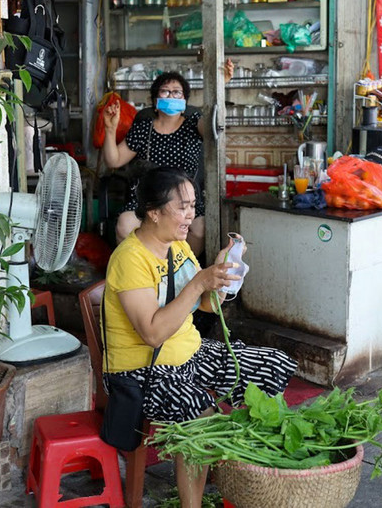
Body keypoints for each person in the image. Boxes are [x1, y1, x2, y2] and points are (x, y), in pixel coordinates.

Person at [102, 167, 297, 507]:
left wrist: (222, 275)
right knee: (200, 412)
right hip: (141, 371)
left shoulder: (177, 247)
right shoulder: (130, 259)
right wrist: (199, 282)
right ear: (153, 211)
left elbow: (206, 305)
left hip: (189, 354)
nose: (191, 214)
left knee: (273, 365)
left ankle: (249, 478)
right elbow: (151, 333)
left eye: (193, 205)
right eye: (182, 206)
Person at [102, 59, 235, 253]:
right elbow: (113, 160)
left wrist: (219, 86)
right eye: (165, 91)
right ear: (155, 101)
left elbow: (212, 126)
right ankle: (142, 270)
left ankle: (182, 273)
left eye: (177, 92)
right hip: (150, 199)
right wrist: (110, 129)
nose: (170, 95)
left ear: (184, 102)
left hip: (184, 200)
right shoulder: (143, 128)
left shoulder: (194, 123)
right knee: (124, 223)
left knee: (200, 227)